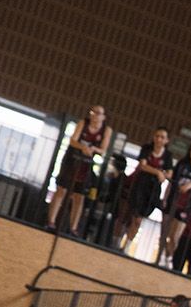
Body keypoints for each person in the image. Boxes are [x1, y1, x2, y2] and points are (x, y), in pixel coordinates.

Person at [47, 106, 111, 235]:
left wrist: (93, 149)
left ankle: (73, 227)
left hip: (87, 163)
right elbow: (72, 140)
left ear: (103, 117)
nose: (94, 115)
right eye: (92, 112)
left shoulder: (106, 130)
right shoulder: (83, 123)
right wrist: (83, 147)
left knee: (79, 195)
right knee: (61, 189)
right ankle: (51, 221)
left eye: (98, 113)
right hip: (72, 158)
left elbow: (103, 149)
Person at [118, 128, 174, 251]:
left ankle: (127, 244)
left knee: (139, 219)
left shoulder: (168, 155)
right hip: (140, 186)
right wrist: (158, 172)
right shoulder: (146, 149)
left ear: (167, 140)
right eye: (157, 136)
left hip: (153, 189)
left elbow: (169, 173)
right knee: (131, 215)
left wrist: (161, 174)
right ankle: (118, 239)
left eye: (162, 137)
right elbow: (143, 166)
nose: (159, 139)